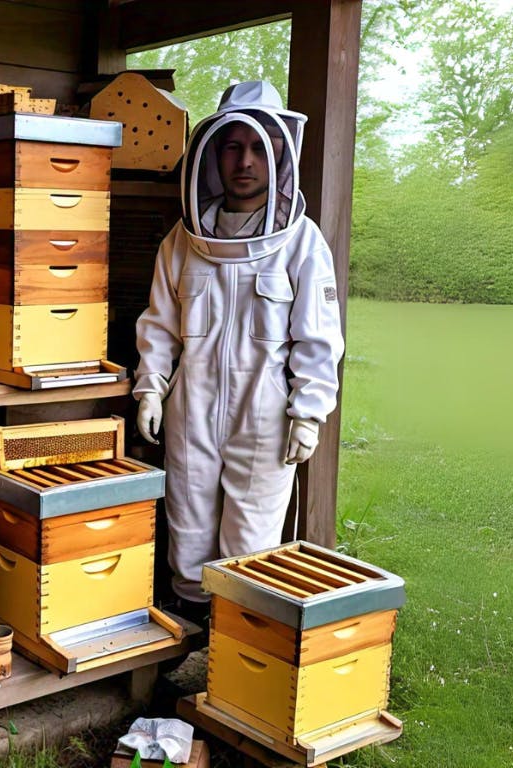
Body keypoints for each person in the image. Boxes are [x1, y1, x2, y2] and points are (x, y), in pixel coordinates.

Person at [134, 81, 344, 620]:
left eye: (257, 147)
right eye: (232, 147)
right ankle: (191, 637)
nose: (244, 161)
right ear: (212, 155)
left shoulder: (302, 241)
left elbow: (319, 337)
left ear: (279, 154)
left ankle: (235, 643)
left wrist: (309, 413)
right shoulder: (182, 240)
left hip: (265, 411)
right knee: (188, 528)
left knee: (251, 544)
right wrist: (151, 388)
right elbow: (160, 324)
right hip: (193, 404)